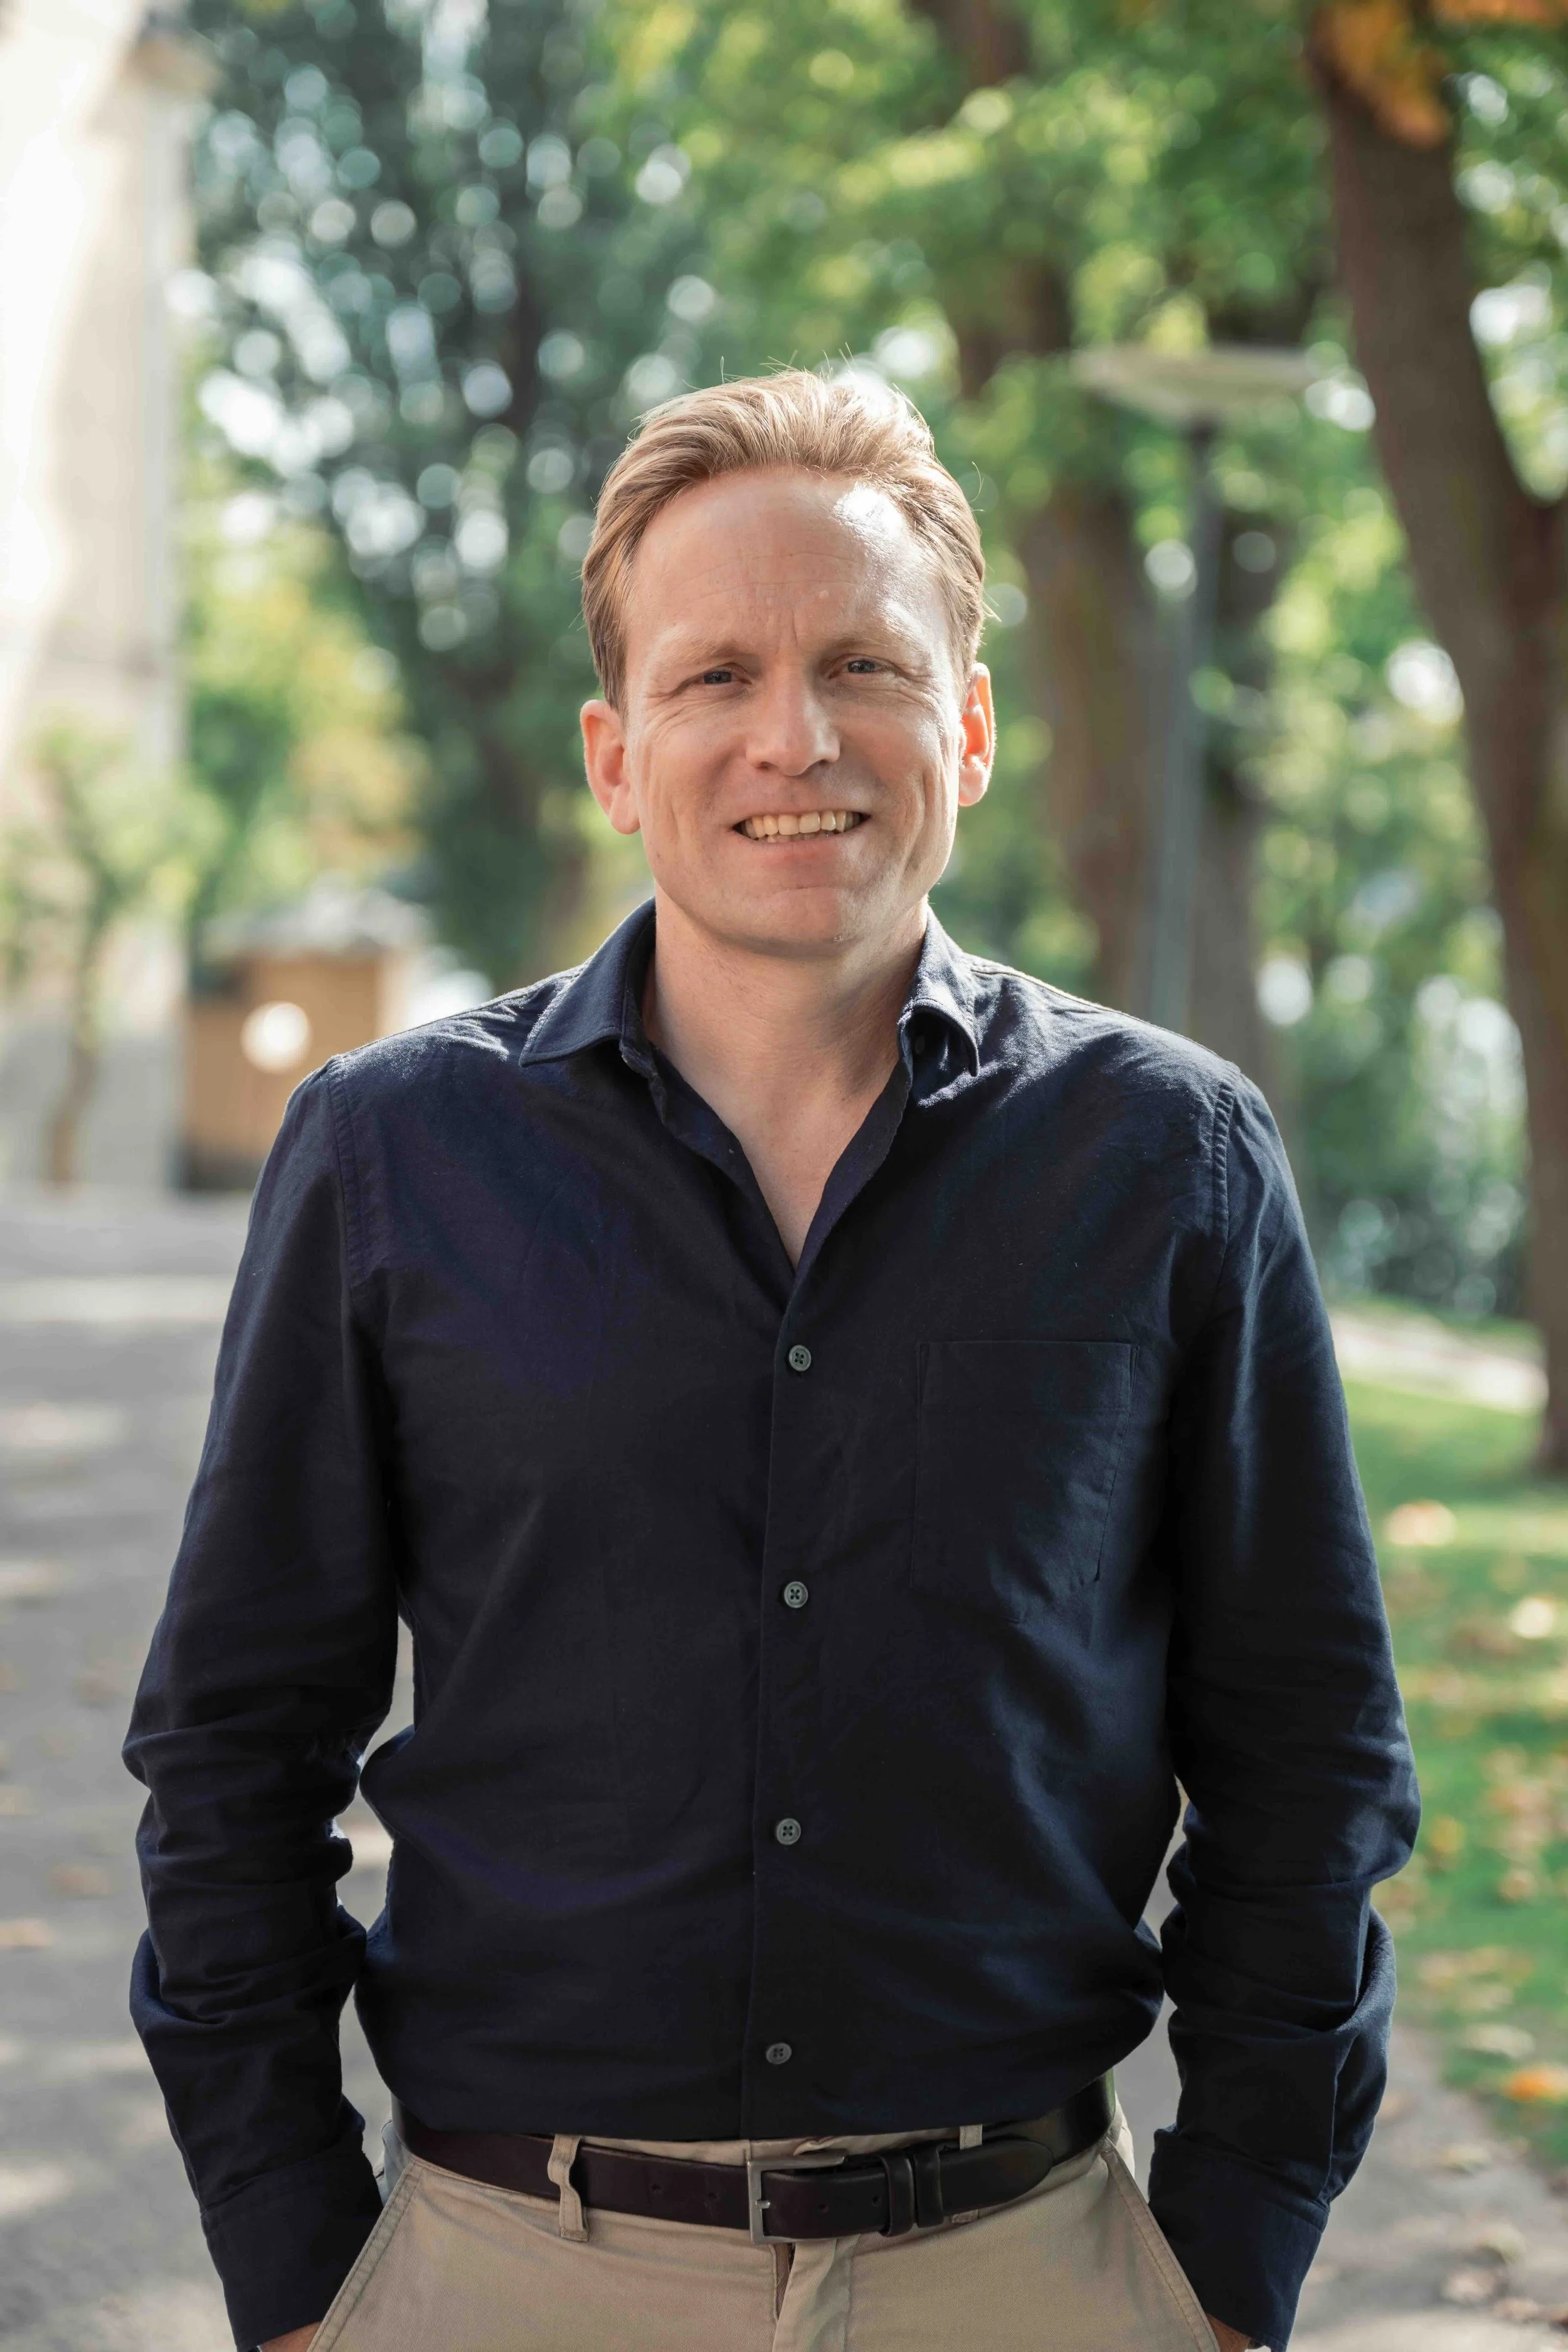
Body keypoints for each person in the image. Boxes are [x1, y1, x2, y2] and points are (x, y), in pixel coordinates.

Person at [125, 369, 1419, 2352]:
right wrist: (292, 2254)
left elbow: (1307, 1751)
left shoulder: (1171, 1157)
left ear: (966, 726)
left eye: (863, 666)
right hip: (500, 2273)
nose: (791, 737)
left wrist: (1230, 2255)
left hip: (1029, 2274)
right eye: (714, 673)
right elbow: (235, 1739)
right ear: (614, 753)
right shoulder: (391, 1153)